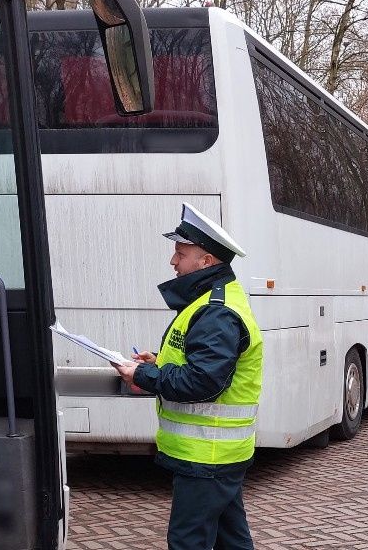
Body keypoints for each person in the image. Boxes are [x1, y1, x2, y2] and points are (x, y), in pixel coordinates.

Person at [112, 203, 263, 550]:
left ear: (206, 261)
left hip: (207, 457)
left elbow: (202, 382)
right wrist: (156, 362)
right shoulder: (212, 302)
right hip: (216, 456)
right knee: (231, 540)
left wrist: (144, 375)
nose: (173, 261)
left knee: (188, 542)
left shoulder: (216, 312)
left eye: (181, 254)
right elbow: (203, 364)